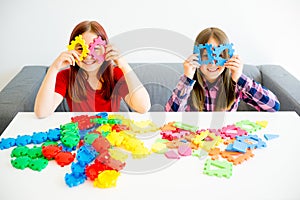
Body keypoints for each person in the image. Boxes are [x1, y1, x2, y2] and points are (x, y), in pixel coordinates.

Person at [34, 21, 151, 118]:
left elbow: (143, 107)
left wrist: (123, 64)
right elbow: (41, 113)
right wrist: (54, 68)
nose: (88, 55)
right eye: (81, 48)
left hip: (109, 134)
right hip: (81, 134)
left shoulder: (115, 74)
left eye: (95, 48)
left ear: (105, 49)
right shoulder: (65, 77)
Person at [165, 27, 280, 112]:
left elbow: (273, 106)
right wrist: (187, 79)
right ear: (197, 56)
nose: (213, 63)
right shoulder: (188, 83)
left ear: (227, 56)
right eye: (206, 55)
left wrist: (239, 78)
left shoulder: (235, 83)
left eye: (219, 56)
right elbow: (170, 115)